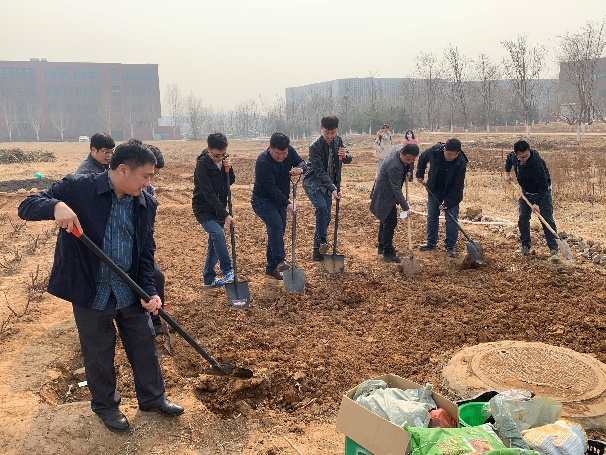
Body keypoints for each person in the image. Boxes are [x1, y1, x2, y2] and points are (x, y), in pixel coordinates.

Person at [18, 139, 184, 433]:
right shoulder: (79, 188)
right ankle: (106, 405)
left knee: (144, 342)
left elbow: (145, 252)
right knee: (98, 351)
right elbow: (26, 205)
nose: (149, 183)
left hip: (129, 288)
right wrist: (56, 206)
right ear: (123, 170)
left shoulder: (145, 202)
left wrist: (150, 290)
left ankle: (152, 398)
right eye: (145, 176)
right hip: (91, 288)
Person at [251, 133, 307, 280]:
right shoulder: (262, 161)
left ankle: (271, 268)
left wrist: (300, 169)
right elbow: (271, 188)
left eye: (284, 153)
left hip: (280, 200)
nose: (281, 156)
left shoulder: (290, 151)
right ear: (270, 148)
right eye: (277, 153)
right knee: (275, 225)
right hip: (262, 200)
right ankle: (280, 261)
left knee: (278, 230)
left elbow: (302, 163)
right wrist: (287, 203)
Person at [302, 115, 352, 261]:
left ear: (337, 130)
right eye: (326, 133)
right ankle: (322, 239)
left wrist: (346, 155)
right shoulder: (314, 146)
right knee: (322, 207)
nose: (330, 136)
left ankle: (317, 251)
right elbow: (319, 172)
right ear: (321, 128)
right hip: (314, 182)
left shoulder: (338, 140)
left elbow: (347, 158)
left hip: (330, 183)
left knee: (326, 217)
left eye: (332, 133)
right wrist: (333, 189)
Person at [505, 140, 560, 262]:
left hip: (542, 193)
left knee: (546, 219)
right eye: (521, 157)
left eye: (526, 156)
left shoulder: (537, 163)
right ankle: (525, 246)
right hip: (525, 193)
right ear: (517, 154)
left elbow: (544, 186)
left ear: (529, 151)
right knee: (523, 218)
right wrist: (507, 173)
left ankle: (554, 249)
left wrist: (537, 203)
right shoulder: (514, 157)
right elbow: (508, 159)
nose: (524, 159)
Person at [192, 133, 235, 287]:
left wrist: (228, 168)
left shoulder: (224, 160)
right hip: (204, 209)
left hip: (219, 207)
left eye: (223, 154)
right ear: (208, 149)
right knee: (218, 234)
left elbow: (231, 181)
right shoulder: (202, 166)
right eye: (216, 155)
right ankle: (227, 270)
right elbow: (208, 193)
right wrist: (225, 215)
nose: (219, 158)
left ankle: (209, 279)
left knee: (214, 244)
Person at [415, 138, 468, 258]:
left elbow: (457, 186)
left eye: (454, 155)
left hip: (451, 192)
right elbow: (422, 158)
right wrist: (419, 174)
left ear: (458, 153)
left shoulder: (461, 162)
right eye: (448, 154)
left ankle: (450, 246)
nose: (451, 157)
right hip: (434, 188)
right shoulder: (434, 151)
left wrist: (448, 203)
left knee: (451, 218)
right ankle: (431, 242)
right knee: (432, 216)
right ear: (444, 149)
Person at [370, 143, 420, 263]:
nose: (409, 162)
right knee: (390, 222)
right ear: (402, 153)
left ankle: (382, 245)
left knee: (385, 219)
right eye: (407, 160)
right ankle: (387, 252)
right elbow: (396, 189)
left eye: (412, 160)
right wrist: (406, 208)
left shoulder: (400, 149)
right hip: (385, 194)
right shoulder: (394, 166)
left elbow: (407, 163)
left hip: (387, 190)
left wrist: (406, 170)